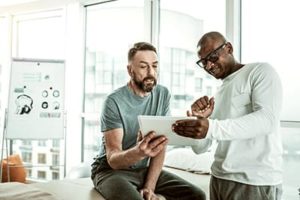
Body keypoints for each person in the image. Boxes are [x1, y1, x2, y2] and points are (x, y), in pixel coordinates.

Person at [172, 31, 283, 200]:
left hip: (254, 182)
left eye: (212, 57)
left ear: (229, 48)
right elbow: (200, 148)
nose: (208, 66)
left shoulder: (260, 71)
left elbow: (267, 120)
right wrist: (200, 121)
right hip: (218, 179)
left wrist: (210, 127)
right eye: (203, 62)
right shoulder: (218, 93)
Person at [91, 42, 206, 200]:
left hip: (143, 170)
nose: (151, 72)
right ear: (130, 70)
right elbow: (113, 160)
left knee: (197, 195)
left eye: (155, 66)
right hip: (110, 171)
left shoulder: (162, 94)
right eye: (143, 66)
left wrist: (149, 188)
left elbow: (161, 144)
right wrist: (138, 152)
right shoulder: (113, 101)